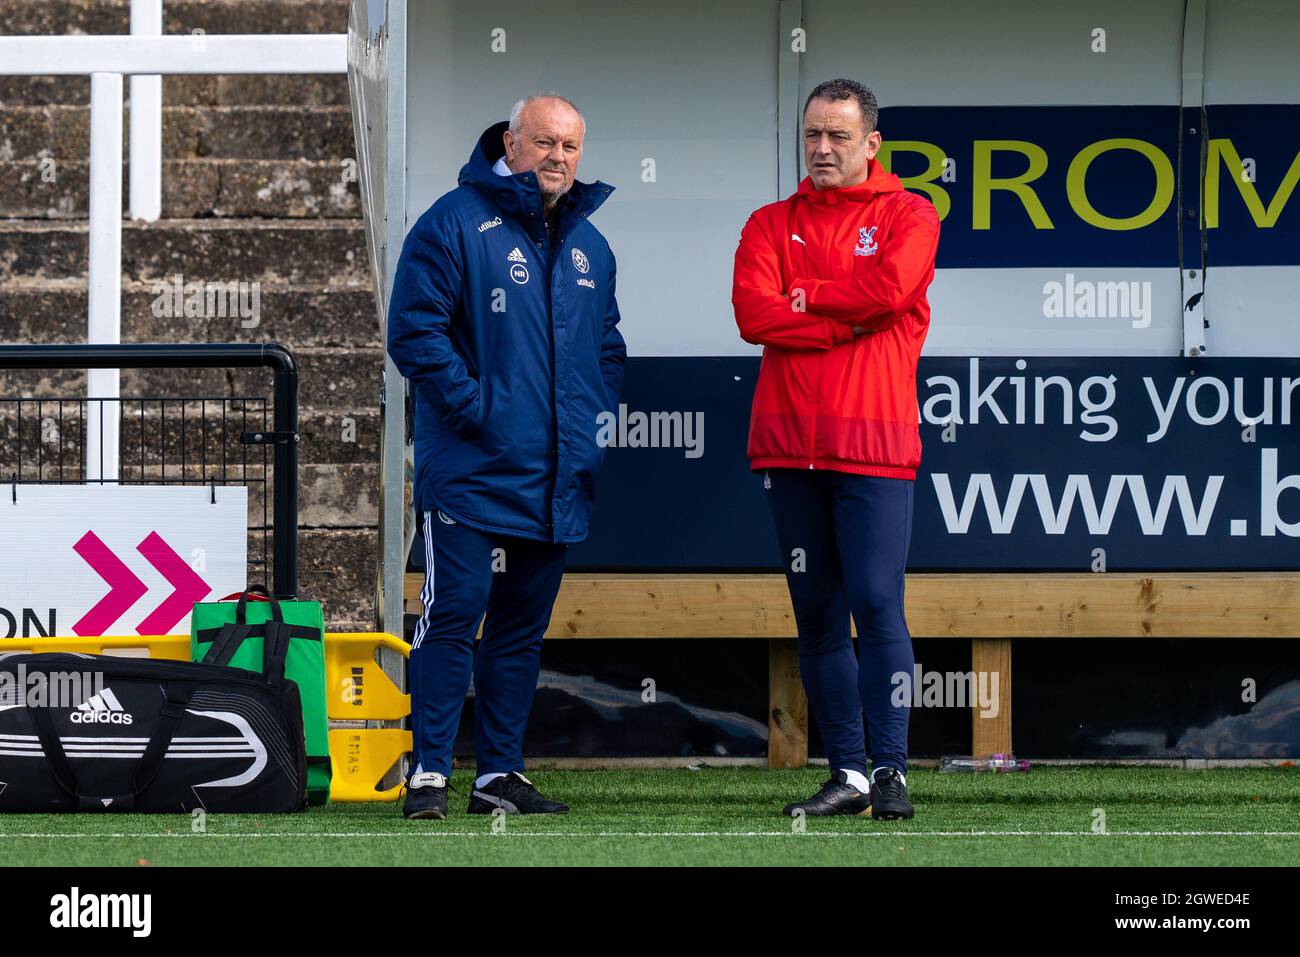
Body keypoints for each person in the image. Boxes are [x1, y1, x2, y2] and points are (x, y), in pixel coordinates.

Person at [386, 94, 626, 819]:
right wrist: (480, 411)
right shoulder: (453, 222)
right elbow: (414, 334)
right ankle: (428, 773)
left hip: (556, 475)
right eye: (546, 142)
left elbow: (607, 349)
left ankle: (498, 775)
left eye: (572, 147)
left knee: (520, 630)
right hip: (470, 469)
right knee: (453, 613)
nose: (559, 158)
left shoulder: (591, 245)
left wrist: (593, 424)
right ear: (512, 142)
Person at [732, 78, 940, 819]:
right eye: (813, 135)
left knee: (878, 602)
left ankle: (891, 769)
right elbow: (752, 314)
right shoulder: (768, 222)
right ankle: (848, 773)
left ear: (871, 143)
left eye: (838, 137)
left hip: (874, 443)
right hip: (789, 446)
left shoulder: (910, 213)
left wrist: (805, 298)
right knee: (816, 612)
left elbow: (888, 292)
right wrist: (835, 318)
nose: (822, 149)